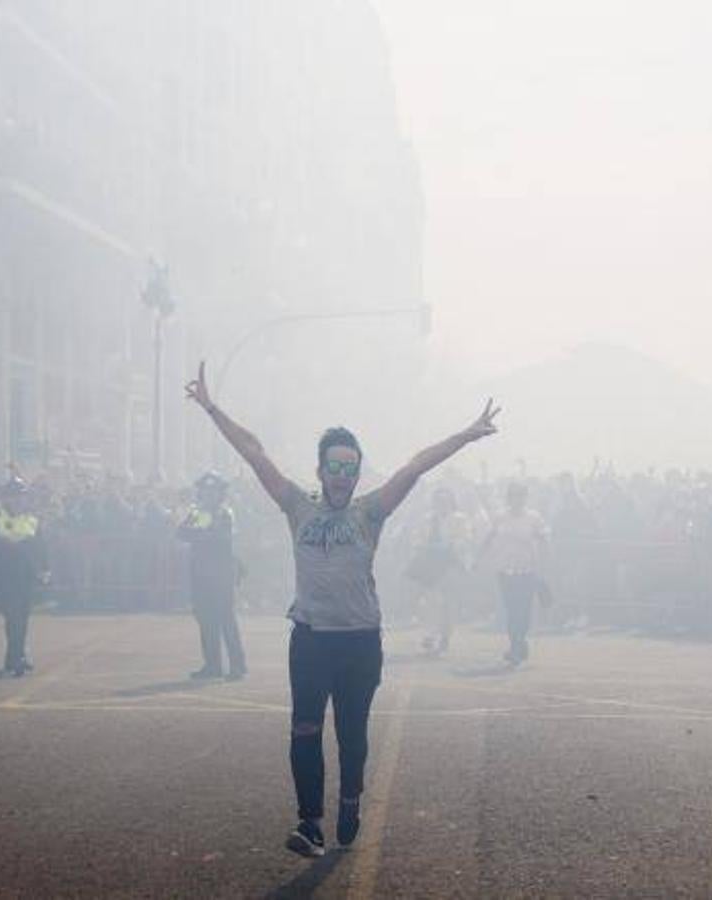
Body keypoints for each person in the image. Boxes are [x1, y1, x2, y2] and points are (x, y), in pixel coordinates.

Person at [185, 361, 499, 857]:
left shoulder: (370, 511)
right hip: (310, 638)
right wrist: (210, 407)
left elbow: (415, 465)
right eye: (333, 466)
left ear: (357, 473)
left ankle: (350, 796)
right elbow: (254, 452)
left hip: (359, 641)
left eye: (349, 468)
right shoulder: (296, 506)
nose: (341, 476)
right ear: (320, 470)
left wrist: (465, 434)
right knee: (305, 727)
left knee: (351, 734)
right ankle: (310, 822)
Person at [177, 471, 246, 680]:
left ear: (220, 494)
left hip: (221, 574)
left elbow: (220, 539)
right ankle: (212, 665)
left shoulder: (225, 513)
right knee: (206, 619)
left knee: (226, 619)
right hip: (201, 574)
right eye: (205, 491)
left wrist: (201, 534)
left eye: (213, 491)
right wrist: (203, 533)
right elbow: (181, 532)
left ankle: (238, 665)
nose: (208, 495)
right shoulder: (201, 513)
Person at [478, 482, 552, 666]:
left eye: (520, 496)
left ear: (524, 498)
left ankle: (520, 642)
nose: (516, 500)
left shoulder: (533, 518)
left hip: (527, 570)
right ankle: (516, 645)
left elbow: (544, 538)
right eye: (513, 496)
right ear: (509, 499)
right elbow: (489, 537)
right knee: (511, 609)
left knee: (524, 610)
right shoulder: (500, 517)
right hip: (505, 570)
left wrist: (545, 559)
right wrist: (479, 557)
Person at [0, 477, 47, 677]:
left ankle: (17, 654)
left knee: (22, 616)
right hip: (6, 575)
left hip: (26, 575)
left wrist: (43, 569)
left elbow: (40, 546)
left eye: (21, 496)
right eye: (14, 496)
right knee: (12, 616)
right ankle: (16, 656)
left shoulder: (32, 519)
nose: (18, 500)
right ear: (6, 498)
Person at [409, 487, 472, 656]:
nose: (441, 504)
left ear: (451, 502)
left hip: (451, 564)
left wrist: (450, 546)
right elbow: (416, 538)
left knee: (448, 603)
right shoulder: (428, 519)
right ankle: (430, 635)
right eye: (438, 501)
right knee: (430, 600)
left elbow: (465, 539)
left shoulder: (460, 519)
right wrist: (421, 546)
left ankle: (445, 636)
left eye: (445, 501)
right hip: (430, 565)